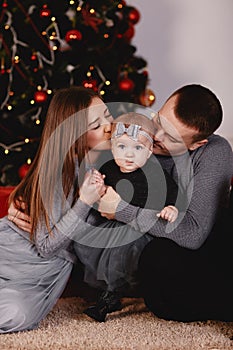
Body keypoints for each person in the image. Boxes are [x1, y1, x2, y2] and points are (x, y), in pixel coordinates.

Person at [98, 84, 233, 322]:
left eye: (171, 137)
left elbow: (193, 235)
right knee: (157, 260)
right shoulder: (132, 136)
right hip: (163, 252)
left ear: (195, 145)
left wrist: (121, 210)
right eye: (159, 122)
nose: (156, 136)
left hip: (215, 246)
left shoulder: (213, 151)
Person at [0, 85, 113, 333]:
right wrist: (84, 201)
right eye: (95, 125)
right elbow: (47, 246)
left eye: (107, 114)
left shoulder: (111, 158)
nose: (108, 126)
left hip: (37, 278)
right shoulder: (63, 169)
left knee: (17, 314)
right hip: (15, 257)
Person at [74, 112, 179, 322]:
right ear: (112, 148)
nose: (128, 155)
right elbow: (100, 198)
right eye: (121, 147)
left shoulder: (157, 176)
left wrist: (172, 210)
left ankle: (110, 297)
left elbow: (175, 200)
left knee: (124, 249)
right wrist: (99, 186)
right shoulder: (109, 168)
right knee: (86, 242)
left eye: (137, 148)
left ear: (149, 152)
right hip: (111, 224)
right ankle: (102, 288)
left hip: (140, 230)